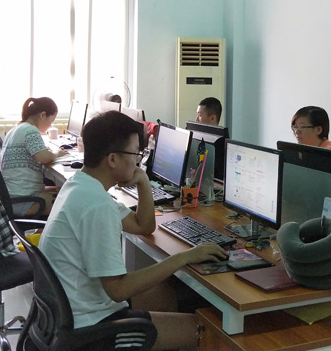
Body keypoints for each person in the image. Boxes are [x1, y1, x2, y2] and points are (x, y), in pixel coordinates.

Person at [39, 111, 227, 351]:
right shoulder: (96, 206)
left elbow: (143, 226)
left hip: (75, 309)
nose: (139, 160)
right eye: (136, 153)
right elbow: (118, 290)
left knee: (165, 295)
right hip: (92, 330)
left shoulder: (81, 185)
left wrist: (143, 181)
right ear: (112, 159)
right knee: (206, 331)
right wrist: (183, 257)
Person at [0, 97, 68, 216]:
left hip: (13, 195)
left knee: (64, 190)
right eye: (51, 121)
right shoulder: (30, 130)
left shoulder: (17, 129)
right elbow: (44, 158)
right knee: (70, 202)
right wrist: (58, 153)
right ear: (42, 115)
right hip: (23, 200)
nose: (50, 125)